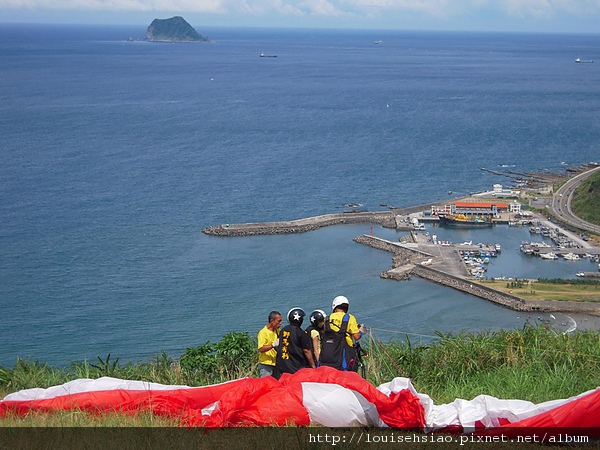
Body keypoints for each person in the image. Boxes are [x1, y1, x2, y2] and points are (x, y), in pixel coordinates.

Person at [320, 295, 367, 372]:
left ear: (334, 307)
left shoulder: (327, 319)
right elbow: (356, 337)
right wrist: (361, 331)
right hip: (345, 355)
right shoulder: (349, 318)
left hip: (329, 356)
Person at [275, 307, 316, 375]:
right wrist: (313, 365)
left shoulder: (283, 330)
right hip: (296, 367)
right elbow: (306, 351)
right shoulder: (301, 333)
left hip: (282, 366)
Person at [257, 310, 282, 379]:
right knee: (266, 384)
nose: (280, 323)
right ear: (272, 321)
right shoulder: (263, 333)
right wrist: (273, 345)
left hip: (276, 363)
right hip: (266, 364)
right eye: (278, 321)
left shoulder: (278, 331)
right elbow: (261, 349)